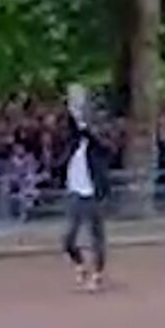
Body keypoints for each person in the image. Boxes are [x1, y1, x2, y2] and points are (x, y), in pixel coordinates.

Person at [59, 85, 112, 291]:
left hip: (94, 194)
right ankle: (80, 266)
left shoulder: (97, 145)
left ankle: (97, 274)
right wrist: (73, 110)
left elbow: (104, 146)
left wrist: (87, 129)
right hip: (75, 193)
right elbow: (71, 129)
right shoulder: (72, 143)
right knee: (68, 239)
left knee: (97, 237)